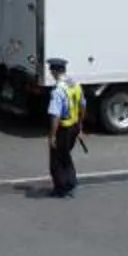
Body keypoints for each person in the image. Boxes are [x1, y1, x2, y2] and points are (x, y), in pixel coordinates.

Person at [43, 57, 85, 198]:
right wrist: (80, 126)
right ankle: (71, 183)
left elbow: (55, 115)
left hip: (63, 129)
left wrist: (52, 135)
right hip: (73, 127)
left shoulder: (58, 91)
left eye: (51, 70)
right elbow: (82, 105)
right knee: (65, 155)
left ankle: (61, 189)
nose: (50, 73)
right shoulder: (74, 85)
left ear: (55, 71)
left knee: (56, 161)